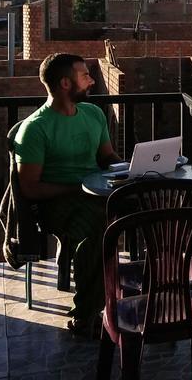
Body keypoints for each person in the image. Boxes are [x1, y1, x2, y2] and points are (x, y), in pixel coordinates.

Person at [14, 52, 122, 337]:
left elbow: (107, 156)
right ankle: (86, 314)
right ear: (65, 83)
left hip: (96, 195)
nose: (92, 80)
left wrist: (130, 169)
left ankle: (153, 295)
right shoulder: (35, 129)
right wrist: (77, 187)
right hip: (55, 203)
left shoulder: (94, 114)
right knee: (99, 230)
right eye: (85, 75)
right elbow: (30, 187)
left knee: (148, 209)